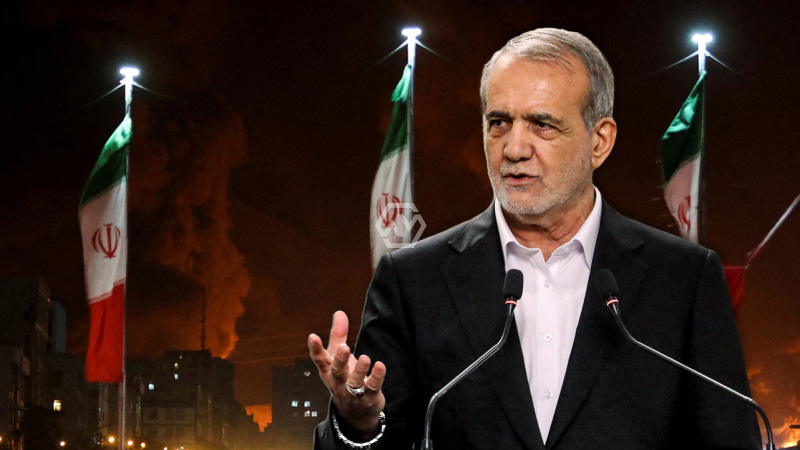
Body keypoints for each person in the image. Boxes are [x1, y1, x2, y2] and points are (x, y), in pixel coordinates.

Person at [308, 28, 761, 449]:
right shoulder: (413, 280)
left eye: (542, 124)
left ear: (599, 141)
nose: (514, 148)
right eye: (499, 122)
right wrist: (358, 423)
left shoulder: (684, 279)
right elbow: (373, 434)